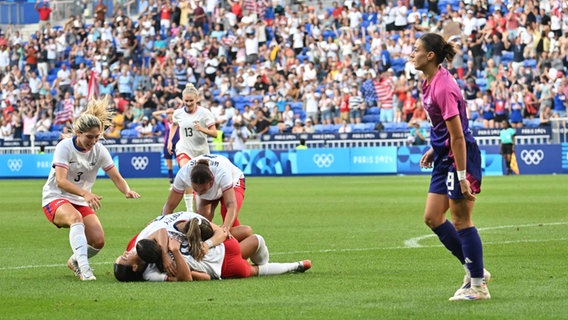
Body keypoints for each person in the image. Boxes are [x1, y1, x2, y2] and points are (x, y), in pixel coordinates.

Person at [410, 33, 491, 301]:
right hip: (445, 155)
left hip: (459, 156)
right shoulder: (428, 81)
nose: (412, 53)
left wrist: (461, 175)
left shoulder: (443, 87)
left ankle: (478, 285)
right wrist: (435, 147)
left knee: (460, 219)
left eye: (416, 49)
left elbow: (458, 136)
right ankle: (473, 268)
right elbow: (445, 129)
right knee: (433, 217)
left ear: (430, 55)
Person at [41, 98, 141, 281]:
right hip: (55, 197)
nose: (93, 141)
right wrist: (86, 193)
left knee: (98, 241)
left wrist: (126, 190)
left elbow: (116, 176)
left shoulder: (99, 150)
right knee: (76, 219)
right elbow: (61, 181)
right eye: (89, 137)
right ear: (78, 133)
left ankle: (74, 261)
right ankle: (85, 270)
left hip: (78, 200)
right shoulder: (64, 147)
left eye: (97, 137)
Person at [114, 211, 311, 282]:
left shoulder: (143, 248)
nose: (124, 253)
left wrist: (168, 253)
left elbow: (161, 233)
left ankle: (296, 265)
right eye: (123, 257)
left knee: (253, 250)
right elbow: (198, 277)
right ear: (134, 267)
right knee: (255, 240)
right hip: (223, 255)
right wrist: (173, 251)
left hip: (220, 257)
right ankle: (294, 264)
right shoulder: (149, 266)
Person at [167, 84, 217, 210]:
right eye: (186, 101)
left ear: (197, 99)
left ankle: (201, 209)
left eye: (191, 101)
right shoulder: (178, 113)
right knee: (187, 172)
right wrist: (170, 141)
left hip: (202, 151)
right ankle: (189, 211)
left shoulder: (205, 113)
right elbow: (174, 125)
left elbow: (215, 133)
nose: (188, 103)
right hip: (184, 148)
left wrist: (201, 129)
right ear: (182, 100)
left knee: (203, 182)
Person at [162, 154, 245, 231]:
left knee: (227, 215)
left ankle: (242, 241)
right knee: (202, 221)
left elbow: (231, 205)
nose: (200, 193)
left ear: (212, 181)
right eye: (195, 190)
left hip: (234, 183)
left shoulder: (222, 173)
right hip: (213, 183)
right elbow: (170, 205)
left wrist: (225, 229)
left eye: (203, 190)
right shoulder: (183, 174)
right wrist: (163, 226)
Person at [152, 108, 179, 187]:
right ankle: (171, 183)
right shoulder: (165, 121)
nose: (170, 114)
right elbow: (154, 114)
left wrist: (175, 112)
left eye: (171, 113)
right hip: (167, 145)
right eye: (169, 113)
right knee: (169, 165)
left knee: (180, 164)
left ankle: (181, 183)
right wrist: (164, 111)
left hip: (177, 144)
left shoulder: (178, 121)